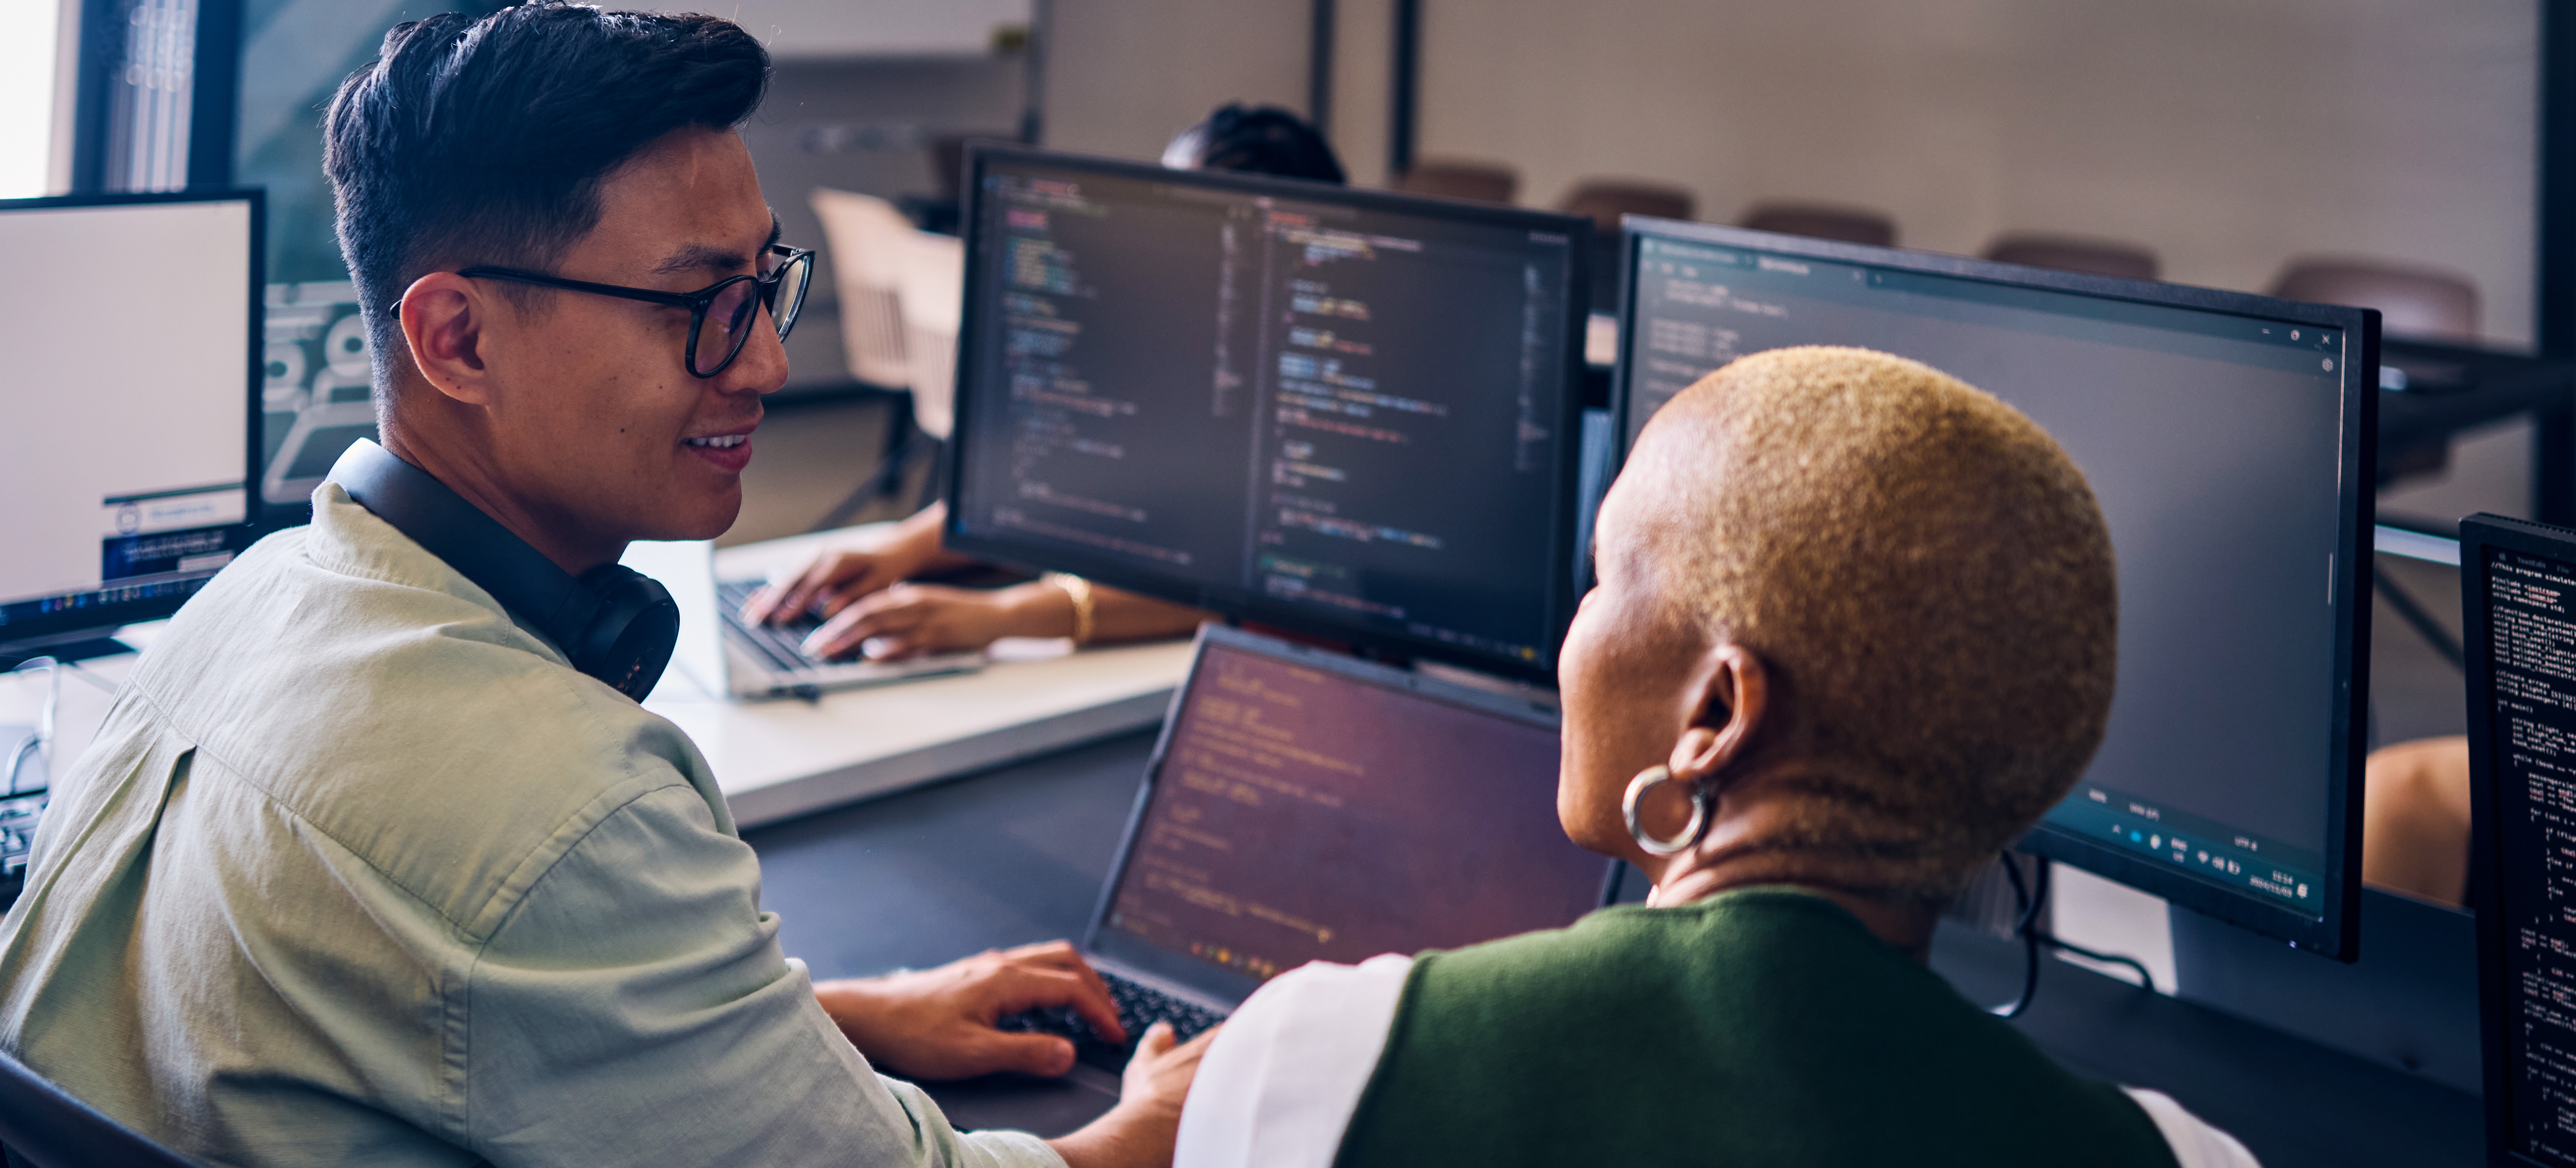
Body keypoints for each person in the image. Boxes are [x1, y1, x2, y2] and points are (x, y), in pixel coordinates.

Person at [0, 7, 1206, 1166]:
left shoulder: (252, 598)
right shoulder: (561, 810)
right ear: (458, 339)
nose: (769, 362)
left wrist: (827, 1016)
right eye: (700, 305)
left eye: (764, 282)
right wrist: (1147, 1126)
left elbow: (407, 1008)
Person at [1171, 347, 2260, 1167]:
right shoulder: (2185, 1157)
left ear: (1717, 711)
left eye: (1602, 579)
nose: (1576, 626)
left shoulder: (1322, 1064)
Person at [743, 104, 1346, 660]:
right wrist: (899, 549)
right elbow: (1051, 495)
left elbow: (1247, 588)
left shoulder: (1323, 396)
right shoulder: (1168, 340)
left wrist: (1003, 615)